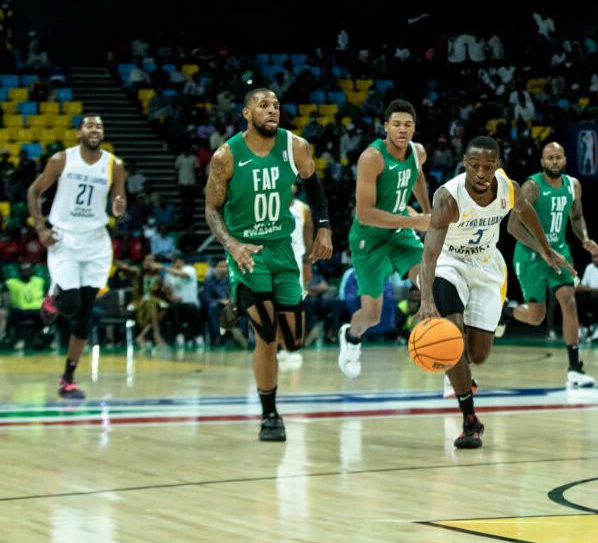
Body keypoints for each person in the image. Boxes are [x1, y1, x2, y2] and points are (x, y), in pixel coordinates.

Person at [414, 136, 573, 449]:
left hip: (486, 262)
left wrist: (546, 250)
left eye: (488, 166)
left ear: (498, 165)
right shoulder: (449, 196)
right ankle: (470, 420)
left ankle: (497, 317)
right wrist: (427, 300)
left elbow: (526, 213)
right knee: (453, 340)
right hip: (450, 262)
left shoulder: (508, 187)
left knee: (478, 355)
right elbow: (430, 253)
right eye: (475, 166)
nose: (481, 173)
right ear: (465, 164)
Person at [204, 88, 333, 442]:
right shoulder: (225, 156)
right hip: (246, 251)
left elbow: (315, 186)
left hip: (282, 250)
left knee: (293, 340)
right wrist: (230, 244)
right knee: (266, 335)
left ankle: (240, 303)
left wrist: (323, 228)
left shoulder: (296, 147)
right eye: (263, 106)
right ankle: (270, 415)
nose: (272, 110)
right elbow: (212, 209)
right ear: (247, 114)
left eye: (275, 105)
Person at [29, 113, 126, 399]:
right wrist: (39, 228)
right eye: (89, 125)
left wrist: (119, 206)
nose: (95, 129)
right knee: (69, 306)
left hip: (96, 241)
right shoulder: (62, 159)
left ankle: (68, 378)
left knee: (85, 315)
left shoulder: (114, 165)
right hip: (65, 239)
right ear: (79, 133)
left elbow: (119, 199)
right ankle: (53, 296)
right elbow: (34, 191)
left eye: (99, 126)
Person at [339, 100, 431, 379]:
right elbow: (365, 214)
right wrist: (415, 221)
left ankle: (441, 349)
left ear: (414, 128)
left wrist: (427, 211)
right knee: (372, 315)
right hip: (369, 239)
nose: (402, 130)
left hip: (400, 232)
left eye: (408, 125)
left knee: (429, 282)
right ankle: (351, 336)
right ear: (386, 127)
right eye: (397, 125)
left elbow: (416, 177)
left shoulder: (418, 152)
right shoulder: (372, 158)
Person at [504, 142, 598, 387]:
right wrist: (543, 250)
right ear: (542, 162)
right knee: (536, 317)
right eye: (550, 158)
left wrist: (585, 238)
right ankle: (504, 313)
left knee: (569, 300)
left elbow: (576, 217)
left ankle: (575, 368)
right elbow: (513, 226)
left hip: (560, 251)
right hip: (531, 256)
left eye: (558, 157)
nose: (554, 162)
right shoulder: (532, 187)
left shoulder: (573, 186)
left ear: (564, 160)